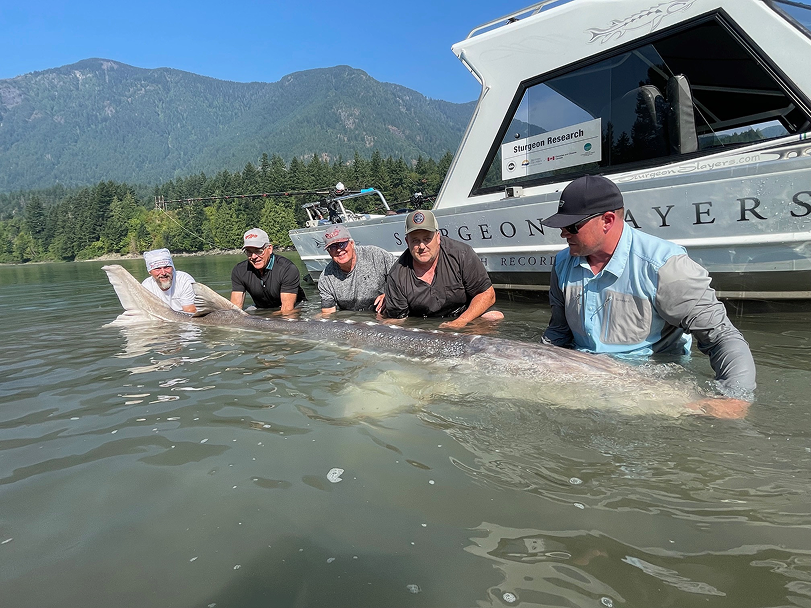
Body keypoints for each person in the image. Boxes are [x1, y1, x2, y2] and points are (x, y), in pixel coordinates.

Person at [540, 175, 756, 418]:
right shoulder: (561, 263)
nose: (563, 234)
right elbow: (558, 333)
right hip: (580, 376)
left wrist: (735, 397)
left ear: (607, 220)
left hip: (648, 386)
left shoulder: (665, 267)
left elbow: (722, 338)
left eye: (571, 227)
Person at [384, 210, 503, 329]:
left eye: (427, 239)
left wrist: (461, 321)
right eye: (415, 240)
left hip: (462, 314)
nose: (421, 246)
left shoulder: (461, 254)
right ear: (407, 241)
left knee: (495, 316)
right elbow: (397, 320)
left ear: (438, 237)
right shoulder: (396, 275)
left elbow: (488, 294)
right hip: (424, 322)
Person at [318, 225, 397, 314]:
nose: (339, 249)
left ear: (352, 244)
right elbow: (328, 314)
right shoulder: (326, 278)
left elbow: (405, 275)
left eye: (342, 244)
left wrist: (391, 294)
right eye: (333, 247)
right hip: (353, 321)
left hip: (385, 314)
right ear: (329, 252)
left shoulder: (375, 255)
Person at [230, 228, 306, 313]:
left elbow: (287, 310)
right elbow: (235, 309)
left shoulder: (287, 269)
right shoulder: (239, 271)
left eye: (259, 251)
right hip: (261, 308)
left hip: (294, 307)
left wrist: (262, 319)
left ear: (269, 249)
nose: (254, 256)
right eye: (249, 252)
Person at [141, 248, 196, 313]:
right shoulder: (146, 286)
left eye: (166, 267)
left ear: (172, 268)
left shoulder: (184, 280)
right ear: (150, 272)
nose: (163, 273)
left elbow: (190, 312)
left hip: (185, 318)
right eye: (157, 269)